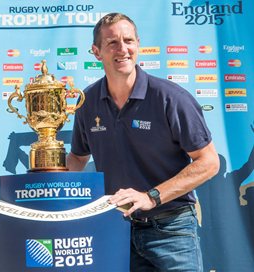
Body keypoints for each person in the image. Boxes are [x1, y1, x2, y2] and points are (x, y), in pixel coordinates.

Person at [66, 13, 220, 271]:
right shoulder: (87, 102)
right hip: (117, 228)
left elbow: (209, 162)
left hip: (171, 227)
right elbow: (78, 158)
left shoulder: (171, 98)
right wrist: (45, 187)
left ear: (138, 44)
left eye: (128, 41)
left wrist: (152, 197)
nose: (123, 49)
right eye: (112, 42)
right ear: (96, 51)